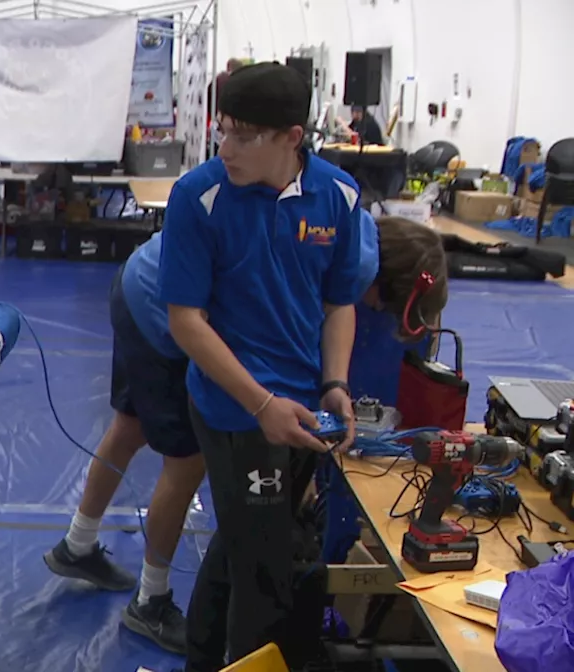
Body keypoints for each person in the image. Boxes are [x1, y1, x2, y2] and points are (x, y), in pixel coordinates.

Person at [44, 211, 448, 655]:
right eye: (378, 304)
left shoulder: (344, 229)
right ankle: (150, 601)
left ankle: (78, 543)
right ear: (380, 281)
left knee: (131, 425)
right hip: (169, 312)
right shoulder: (331, 271)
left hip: (141, 279)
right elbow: (258, 360)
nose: (371, 311)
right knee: (187, 463)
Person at [159, 62, 366, 671]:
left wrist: (334, 382)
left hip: (301, 408)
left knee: (243, 541)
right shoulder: (199, 197)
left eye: (245, 135)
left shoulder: (339, 196)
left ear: (292, 138)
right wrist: (259, 405)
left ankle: (203, 660)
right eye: (222, 130)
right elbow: (186, 321)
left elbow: (339, 301)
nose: (227, 147)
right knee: (266, 571)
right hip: (232, 410)